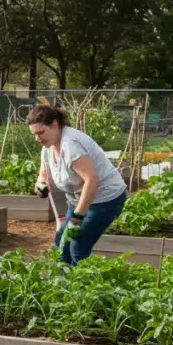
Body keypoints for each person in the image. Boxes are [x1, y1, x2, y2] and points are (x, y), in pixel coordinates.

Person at [28, 102, 127, 266]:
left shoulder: (71, 145)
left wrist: (77, 217)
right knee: (62, 240)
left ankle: (81, 287)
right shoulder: (48, 146)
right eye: (35, 134)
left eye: (41, 133)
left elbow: (92, 180)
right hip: (78, 199)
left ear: (54, 124)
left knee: (77, 244)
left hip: (105, 199)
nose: (38, 138)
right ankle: (61, 282)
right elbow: (44, 171)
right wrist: (41, 183)